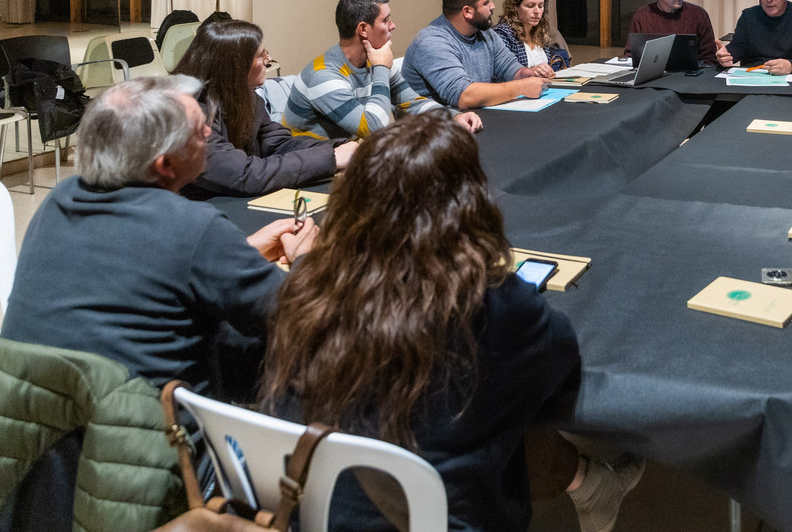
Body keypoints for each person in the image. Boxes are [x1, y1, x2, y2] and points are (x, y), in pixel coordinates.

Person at [261, 113, 644, 532]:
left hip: (308, 515)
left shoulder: (302, 292)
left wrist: (304, 263)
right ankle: (590, 486)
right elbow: (560, 384)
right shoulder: (496, 304)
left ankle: (590, 487)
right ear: (470, 205)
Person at [1, 76, 317, 397]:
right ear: (165, 165)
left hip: (35, 417)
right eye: (198, 131)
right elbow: (300, 314)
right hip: (143, 430)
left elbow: (130, 275)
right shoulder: (192, 226)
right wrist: (306, 257)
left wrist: (240, 252)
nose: (210, 133)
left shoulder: (61, 197)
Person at [172, 19, 358, 199]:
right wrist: (331, 158)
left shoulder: (246, 96)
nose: (268, 60)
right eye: (260, 55)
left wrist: (339, 147)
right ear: (236, 65)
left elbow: (278, 144)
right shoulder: (189, 110)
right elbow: (244, 175)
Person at [284, 0, 483, 139]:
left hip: (351, 158)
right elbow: (374, 129)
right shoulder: (323, 76)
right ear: (363, 29)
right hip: (315, 173)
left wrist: (452, 116)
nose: (393, 26)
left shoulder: (374, 60)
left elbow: (411, 102)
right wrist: (380, 68)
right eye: (385, 20)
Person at [402, 0, 552, 109]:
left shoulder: (486, 34)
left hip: (474, 120)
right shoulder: (432, 42)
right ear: (467, 11)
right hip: (434, 130)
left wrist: (530, 75)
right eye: (486, 3)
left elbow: (511, 68)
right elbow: (463, 96)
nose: (493, 7)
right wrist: (521, 87)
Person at [623, 0, 719, 65]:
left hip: (689, 76)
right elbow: (630, 55)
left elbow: (709, 58)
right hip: (652, 75)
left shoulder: (698, 14)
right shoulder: (642, 16)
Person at [494, 0, 571, 71]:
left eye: (540, 6)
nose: (537, 11)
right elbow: (499, 75)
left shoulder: (540, 31)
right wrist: (530, 71)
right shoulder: (503, 34)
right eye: (530, 6)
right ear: (515, 6)